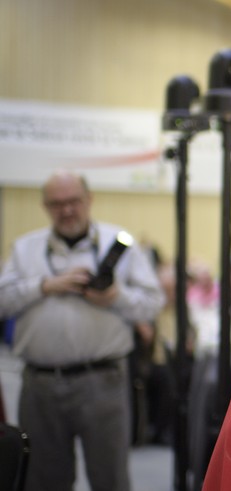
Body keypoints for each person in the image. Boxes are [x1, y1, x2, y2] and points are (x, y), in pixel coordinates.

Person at [0, 170, 164, 491]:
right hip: (40, 384)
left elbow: (153, 303)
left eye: (74, 201)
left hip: (103, 382)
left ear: (89, 200)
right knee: (42, 481)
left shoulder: (122, 244)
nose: (66, 210)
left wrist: (116, 296)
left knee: (110, 478)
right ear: (45, 206)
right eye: (56, 204)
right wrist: (45, 286)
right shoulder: (25, 249)